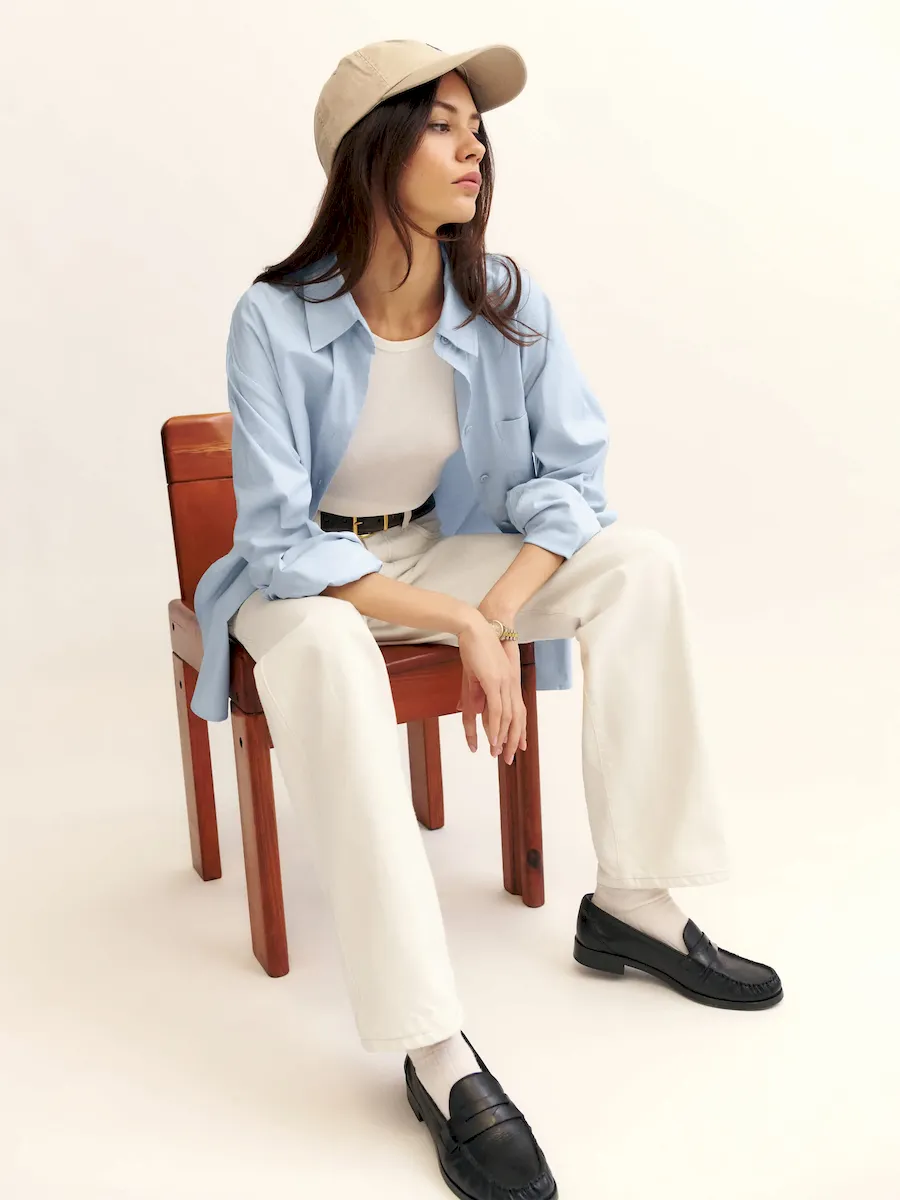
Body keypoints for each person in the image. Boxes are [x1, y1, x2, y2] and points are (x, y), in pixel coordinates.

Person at [190, 39, 784, 1200]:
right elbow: (276, 541)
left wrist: (495, 611)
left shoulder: (503, 297)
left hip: (438, 545)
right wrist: (458, 627)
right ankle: (434, 1046)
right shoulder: (273, 316)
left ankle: (633, 901)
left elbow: (573, 479)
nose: (475, 150)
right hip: (309, 586)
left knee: (639, 562)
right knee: (331, 654)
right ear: (372, 154)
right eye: (443, 125)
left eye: (479, 129)